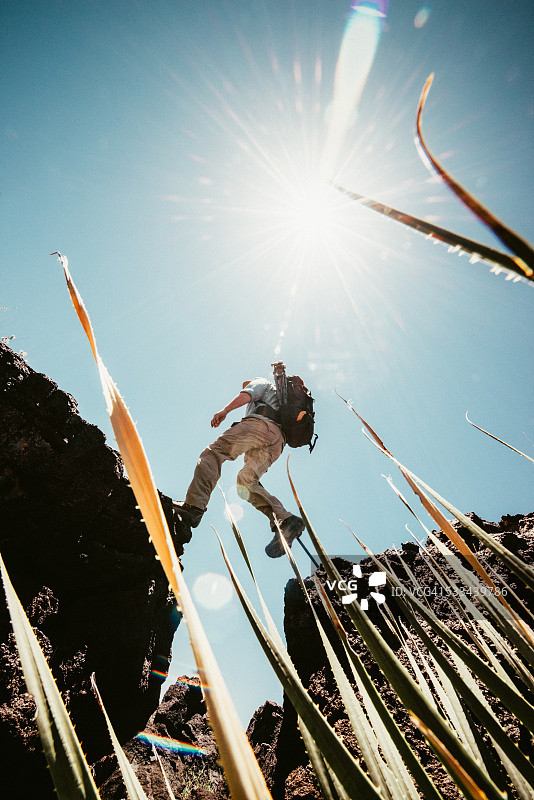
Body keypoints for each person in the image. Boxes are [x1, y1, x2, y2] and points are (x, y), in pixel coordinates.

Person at [173, 376, 304, 558]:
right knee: (246, 483)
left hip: (260, 426)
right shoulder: (281, 398)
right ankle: (286, 519)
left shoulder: (262, 382)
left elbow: (247, 395)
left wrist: (225, 411)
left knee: (213, 453)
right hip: (278, 443)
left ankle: (194, 507)